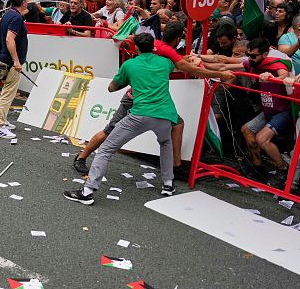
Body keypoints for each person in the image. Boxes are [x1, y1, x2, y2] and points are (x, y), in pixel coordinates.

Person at [72, 22, 235, 175]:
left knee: (178, 123)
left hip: (151, 100)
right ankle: (82, 156)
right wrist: (220, 74)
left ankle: (176, 166)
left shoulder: (153, 45)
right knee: (110, 131)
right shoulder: (167, 54)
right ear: (178, 39)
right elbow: (191, 69)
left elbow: (178, 64)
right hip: (137, 99)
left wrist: (186, 60)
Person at [65, 33, 179, 205]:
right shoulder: (165, 62)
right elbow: (177, 66)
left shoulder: (130, 64)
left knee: (106, 149)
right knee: (165, 143)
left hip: (140, 114)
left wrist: (129, 79)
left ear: (136, 48)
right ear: (153, 47)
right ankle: (168, 185)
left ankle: (87, 191)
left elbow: (112, 87)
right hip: (165, 114)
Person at [240, 37, 292, 182]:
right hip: (268, 110)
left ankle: (283, 170)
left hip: (283, 110)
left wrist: (270, 76)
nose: (250, 58)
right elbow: (225, 64)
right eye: (248, 54)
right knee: (246, 130)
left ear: (264, 54)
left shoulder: (275, 63)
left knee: (262, 139)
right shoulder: (253, 62)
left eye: (253, 56)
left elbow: (284, 74)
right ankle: (258, 169)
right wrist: (201, 60)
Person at [0, 0, 29, 139]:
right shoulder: (16, 18)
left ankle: (1, 120)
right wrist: (16, 61)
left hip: (6, 58)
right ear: (23, 2)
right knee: (8, 93)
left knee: (9, 92)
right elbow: (9, 39)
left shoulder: (9, 14)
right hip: (11, 61)